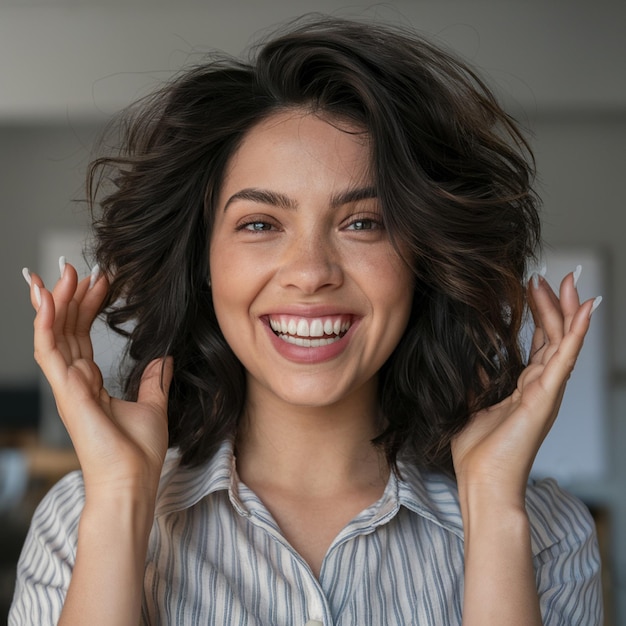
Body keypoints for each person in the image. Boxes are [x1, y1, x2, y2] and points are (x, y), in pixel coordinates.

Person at [11, 15, 602, 625]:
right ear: (204, 261)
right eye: (261, 224)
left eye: (363, 223)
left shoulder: (547, 532)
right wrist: (119, 501)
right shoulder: (79, 517)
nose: (311, 271)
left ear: (423, 257)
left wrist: (493, 504)